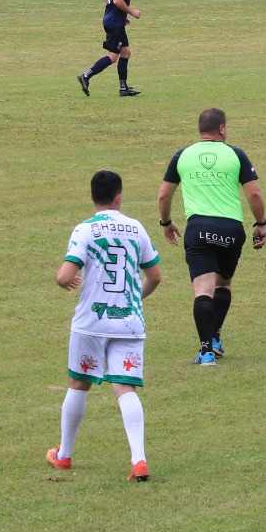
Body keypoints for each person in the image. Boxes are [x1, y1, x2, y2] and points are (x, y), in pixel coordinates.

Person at [46, 170, 163, 480]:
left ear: (91, 197)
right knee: (125, 388)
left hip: (91, 323)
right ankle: (139, 460)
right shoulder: (137, 228)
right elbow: (155, 276)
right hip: (128, 323)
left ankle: (65, 455)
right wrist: (135, 299)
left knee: (79, 384)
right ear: (119, 197)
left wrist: (65, 281)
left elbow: (63, 275)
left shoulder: (85, 229)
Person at [157, 108, 266, 366]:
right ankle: (215, 337)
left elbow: (164, 195)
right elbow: (254, 194)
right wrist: (261, 224)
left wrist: (166, 223)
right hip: (231, 230)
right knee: (223, 285)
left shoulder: (182, 155)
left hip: (198, 229)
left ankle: (206, 351)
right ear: (222, 129)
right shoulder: (235, 154)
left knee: (202, 290)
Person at [76, 0, 142, 97]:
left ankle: (123, 88)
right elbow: (117, 0)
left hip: (114, 21)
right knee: (112, 57)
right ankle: (85, 76)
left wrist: (120, 15)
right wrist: (131, 12)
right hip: (114, 24)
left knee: (126, 53)